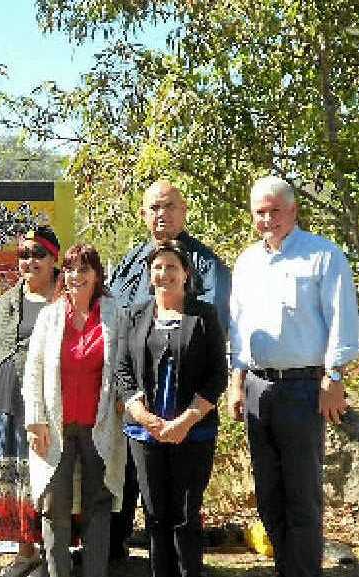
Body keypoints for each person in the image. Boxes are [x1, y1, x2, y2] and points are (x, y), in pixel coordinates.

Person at [227, 176, 359, 577]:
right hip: (256, 388)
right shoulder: (247, 261)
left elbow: (343, 320)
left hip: (305, 388)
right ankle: (288, 569)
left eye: (274, 211)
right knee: (268, 496)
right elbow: (237, 325)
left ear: (293, 210)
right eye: (260, 213)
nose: (267, 219)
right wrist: (236, 381)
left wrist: (333, 377)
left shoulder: (322, 255)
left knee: (302, 496)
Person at [106, 179, 231, 561]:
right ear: (143, 214)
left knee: (182, 509)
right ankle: (118, 552)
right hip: (136, 405)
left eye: (169, 206)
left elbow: (208, 343)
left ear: (184, 210)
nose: (161, 213)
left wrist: (187, 415)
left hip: (185, 408)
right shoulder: (131, 262)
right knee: (137, 494)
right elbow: (117, 322)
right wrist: (129, 398)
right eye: (153, 207)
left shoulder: (205, 265)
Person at [22, 243, 125, 577]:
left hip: (101, 425)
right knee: (54, 506)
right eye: (69, 269)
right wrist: (36, 419)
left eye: (84, 269)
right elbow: (34, 370)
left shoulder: (113, 313)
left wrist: (126, 400)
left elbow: (124, 366)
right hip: (55, 425)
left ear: (97, 274)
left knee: (98, 505)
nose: (75, 276)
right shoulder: (51, 316)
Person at [0, 226, 60, 577]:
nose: (30, 260)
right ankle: (25, 552)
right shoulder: (8, 301)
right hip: (6, 407)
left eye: (38, 254)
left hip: (47, 409)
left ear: (54, 259)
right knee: (17, 482)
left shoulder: (65, 299)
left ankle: (53, 554)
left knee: (48, 480)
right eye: (24, 254)